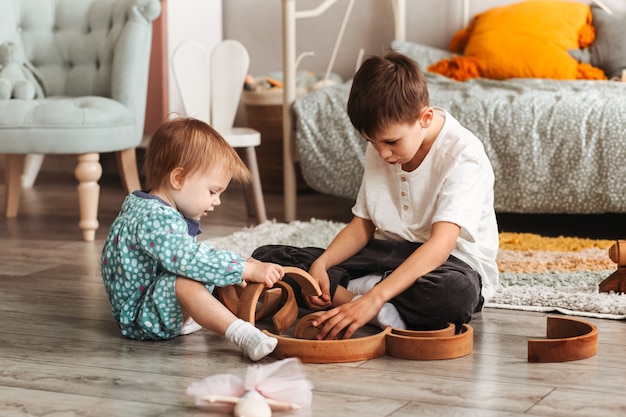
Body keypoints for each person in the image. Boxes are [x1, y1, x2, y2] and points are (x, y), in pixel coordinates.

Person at [252, 51, 499, 340]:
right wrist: (323, 264)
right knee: (267, 259)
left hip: (450, 263)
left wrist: (374, 298)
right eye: (372, 141)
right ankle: (376, 305)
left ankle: (360, 298)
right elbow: (363, 226)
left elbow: (441, 245)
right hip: (387, 253)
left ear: (425, 118)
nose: (382, 153)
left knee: (453, 295)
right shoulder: (383, 145)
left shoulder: (463, 155)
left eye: (391, 142)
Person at [101, 117, 284, 361]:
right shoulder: (156, 219)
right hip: (142, 319)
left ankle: (210, 310)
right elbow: (189, 260)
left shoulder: (143, 206)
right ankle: (242, 334)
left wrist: (238, 267)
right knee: (191, 276)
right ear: (178, 179)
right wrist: (243, 269)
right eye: (212, 191)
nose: (217, 201)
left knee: (212, 263)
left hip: (146, 304)